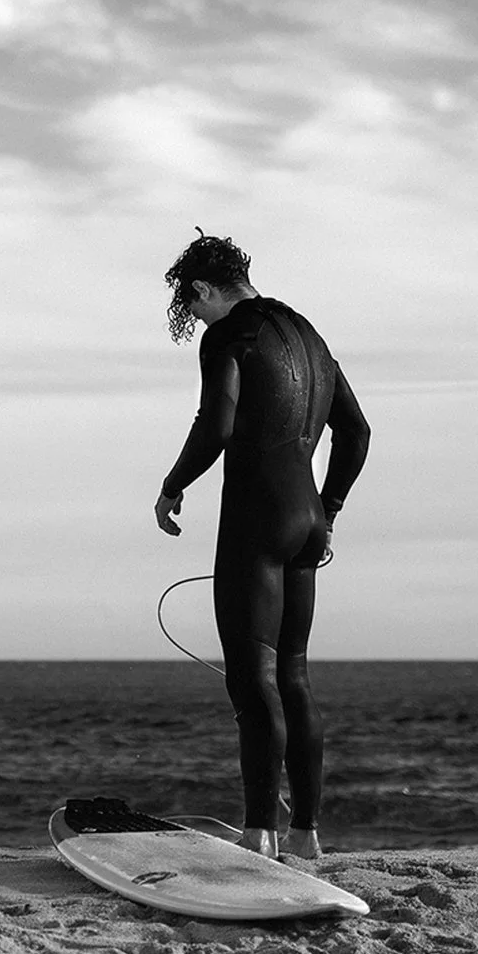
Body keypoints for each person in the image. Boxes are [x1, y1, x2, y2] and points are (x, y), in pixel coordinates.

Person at [153, 231, 369, 862]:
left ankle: (257, 834)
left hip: (256, 518)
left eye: (191, 306)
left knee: (254, 681)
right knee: (295, 676)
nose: (194, 319)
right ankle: (305, 834)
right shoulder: (310, 337)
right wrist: (327, 511)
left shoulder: (228, 335)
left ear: (201, 290)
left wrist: (172, 487)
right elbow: (355, 432)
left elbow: (215, 424)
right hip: (307, 522)